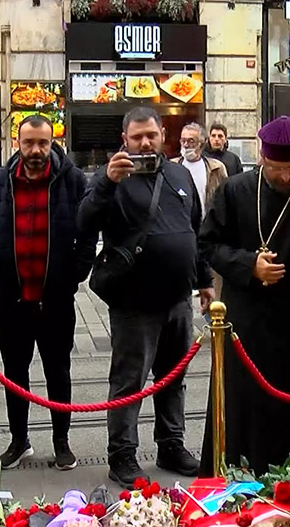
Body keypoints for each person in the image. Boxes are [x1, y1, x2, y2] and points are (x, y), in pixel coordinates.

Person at [197, 116, 290, 474]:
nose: (284, 177)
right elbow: (208, 245)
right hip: (248, 322)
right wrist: (249, 265)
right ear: (263, 157)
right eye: (277, 168)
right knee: (245, 406)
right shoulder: (235, 190)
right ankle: (240, 476)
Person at [77, 107, 212, 488]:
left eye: (151, 135)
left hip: (178, 299)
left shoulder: (179, 174)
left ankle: (171, 445)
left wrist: (204, 280)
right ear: (125, 139)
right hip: (134, 303)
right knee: (129, 382)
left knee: (173, 378)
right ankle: (122, 454)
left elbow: (195, 230)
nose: (145, 143)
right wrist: (107, 183)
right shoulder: (111, 177)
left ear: (162, 134)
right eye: (137, 137)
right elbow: (83, 221)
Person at [0, 115, 95, 472]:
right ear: (17, 143)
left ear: (52, 142)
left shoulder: (72, 180)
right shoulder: (0, 181)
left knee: (58, 372)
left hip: (55, 300)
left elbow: (88, 232)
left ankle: (62, 441)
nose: (36, 150)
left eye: (42, 143)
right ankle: (19, 441)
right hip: (13, 300)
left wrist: (74, 276)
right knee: (14, 375)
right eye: (29, 142)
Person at [172, 123, 228, 211]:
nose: (186, 145)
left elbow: (225, 197)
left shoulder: (216, 168)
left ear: (201, 144)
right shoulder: (172, 167)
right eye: (183, 141)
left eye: (191, 141)